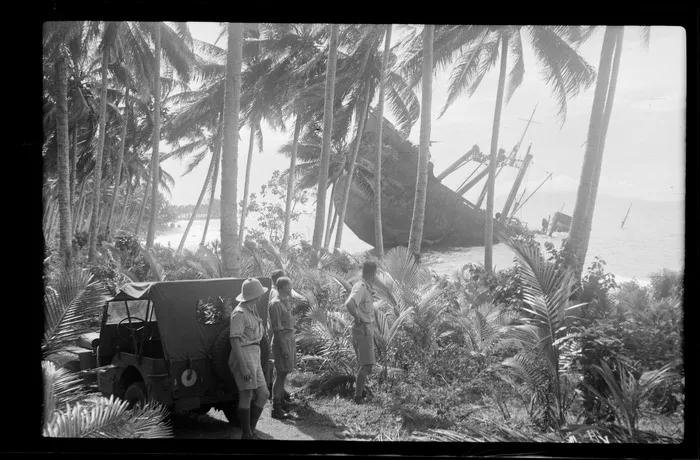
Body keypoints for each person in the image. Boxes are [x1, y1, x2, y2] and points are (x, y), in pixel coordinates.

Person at [229, 278, 270, 439]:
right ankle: (246, 434)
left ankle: (251, 429)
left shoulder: (252, 310)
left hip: (254, 353)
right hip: (243, 355)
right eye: (259, 294)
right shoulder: (239, 313)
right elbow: (234, 340)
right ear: (254, 296)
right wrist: (243, 366)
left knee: (263, 394)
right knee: (246, 395)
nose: (260, 297)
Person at [344, 261, 378, 404]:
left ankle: (360, 393)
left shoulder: (364, 286)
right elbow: (349, 303)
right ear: (373, 274)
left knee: (367, 364)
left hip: (365, 328)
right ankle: (358, 397)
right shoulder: (362, 286)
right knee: (366, 365)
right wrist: (358, 317)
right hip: (363, 328)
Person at [268, 276, 298, 419]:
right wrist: (284, 348)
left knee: (285, 373)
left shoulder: (286, 301)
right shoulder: (275, 304)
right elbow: (277, 329)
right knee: (280, 375)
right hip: (282, 341)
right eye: (290, 286)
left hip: (289, 339)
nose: (291, 288)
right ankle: (276, 407)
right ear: (284, 287)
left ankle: (281, 401)